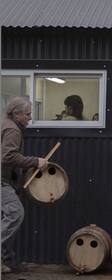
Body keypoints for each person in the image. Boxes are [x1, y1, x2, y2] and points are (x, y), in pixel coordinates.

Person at [1, 97, 48, 273]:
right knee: (15, 214)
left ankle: (8, 261)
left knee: (7, 218)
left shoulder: (6, 124)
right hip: (1, 181)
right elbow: (7, 157)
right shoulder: (13, 130)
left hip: (6, 180)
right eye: (27, 114)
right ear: (17, 114)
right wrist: (35, 161)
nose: (30, 118)